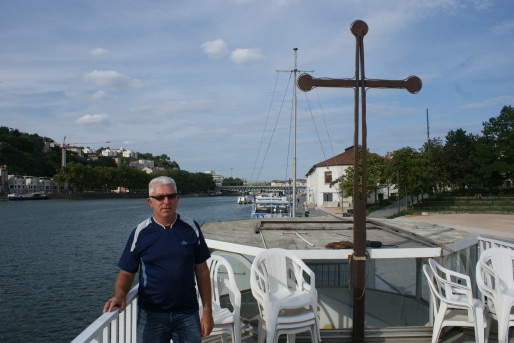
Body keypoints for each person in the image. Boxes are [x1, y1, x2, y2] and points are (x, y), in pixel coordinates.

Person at [103, 176, 214, 343]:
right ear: (150, 202)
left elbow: (202, 270)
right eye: (160, 197)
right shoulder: (140, 232)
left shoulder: (191, 228)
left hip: (187, 313)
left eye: (171, 196)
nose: (166, 201)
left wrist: (207, 311)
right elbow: (126, 271)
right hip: (151, 314)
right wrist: (119, 294)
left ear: (178, 198)